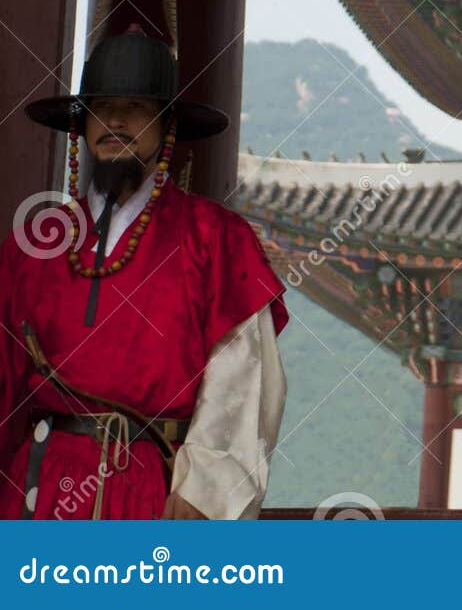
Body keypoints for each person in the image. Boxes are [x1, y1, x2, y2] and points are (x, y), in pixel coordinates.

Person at [0, 26, 288, 519]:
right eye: (102, 106)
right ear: (82, 124)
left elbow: (242, 381)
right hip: (35, 489)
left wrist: (205, 491)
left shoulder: (216, 239)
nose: (114, 119)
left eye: (135, 107)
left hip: (149, 490)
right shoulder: (35, 246)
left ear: (166, 124)